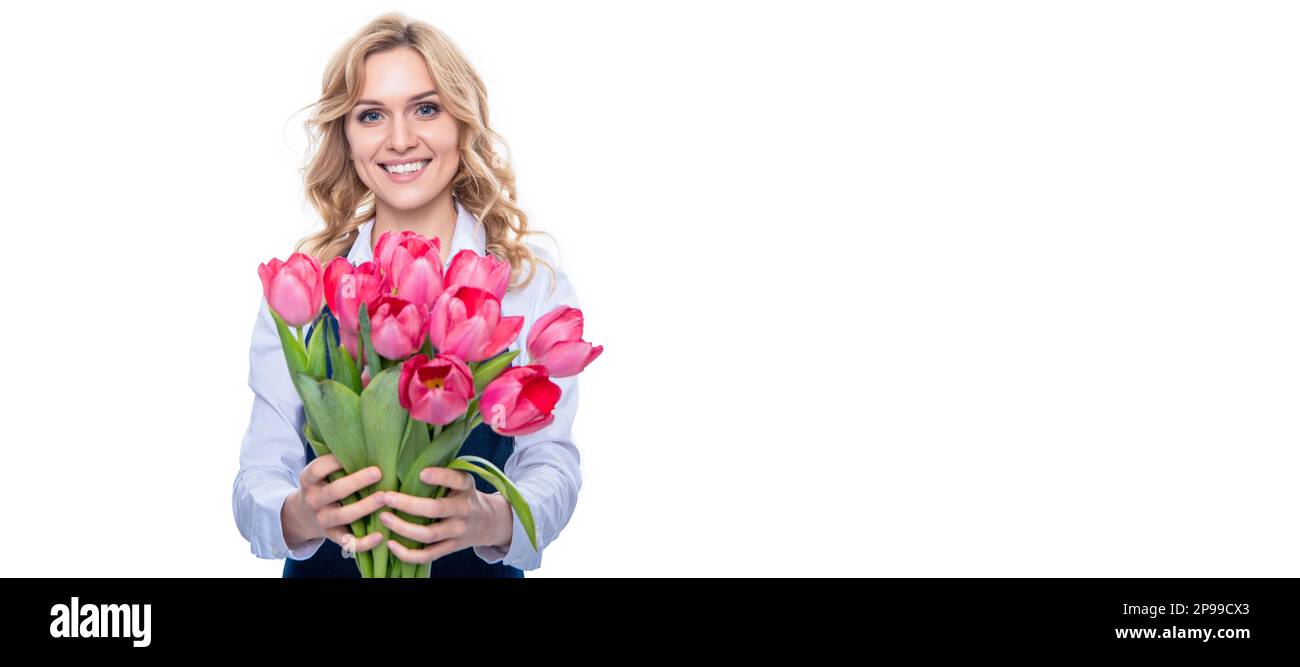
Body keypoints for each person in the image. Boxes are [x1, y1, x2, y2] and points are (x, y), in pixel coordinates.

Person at [232, 12, 583, 577]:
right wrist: (298, 512)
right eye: (371, 115)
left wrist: (490, 519)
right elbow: (256, 479)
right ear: (346, 139)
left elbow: (553, 465)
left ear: (462, 124)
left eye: (426, 108)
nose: (400, 140)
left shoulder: (525, 285)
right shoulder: (310, 288)